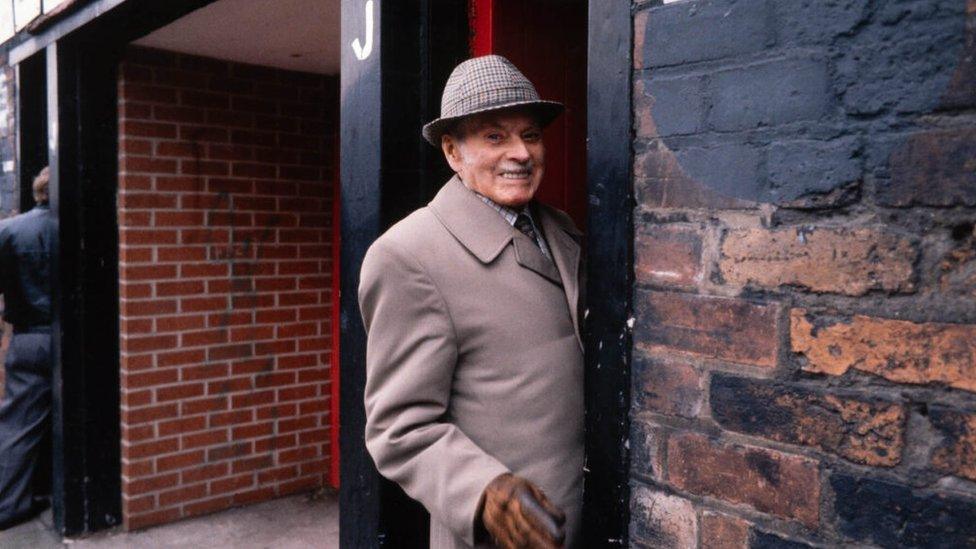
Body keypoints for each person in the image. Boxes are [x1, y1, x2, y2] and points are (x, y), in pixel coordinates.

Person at [359, 55, 584, 548]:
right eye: (495, 137)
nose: (521, 153)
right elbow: (399, 428)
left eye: (531, 134)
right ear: (452, 153)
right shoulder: (408, 255)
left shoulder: (563, 230)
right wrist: (486, 491)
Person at [0, 167, 56, 530]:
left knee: (18, 424)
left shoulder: (9, 230)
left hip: (27, 339)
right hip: (76, 341)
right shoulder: (82, 228)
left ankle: (8, 503)